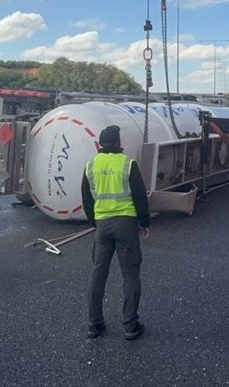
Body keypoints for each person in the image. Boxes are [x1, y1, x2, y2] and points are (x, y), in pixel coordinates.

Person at [82, 124, 150, 340]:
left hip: (102, 224)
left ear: (100, 143)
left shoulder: (91, 165)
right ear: (119, 142)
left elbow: (86, 197)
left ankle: (94, 324)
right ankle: (130, 326)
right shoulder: (127, 164)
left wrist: (94, 220)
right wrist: (144, 222)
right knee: (130, 274)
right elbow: (140, 195)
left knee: (98, 273)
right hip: (126, 223)